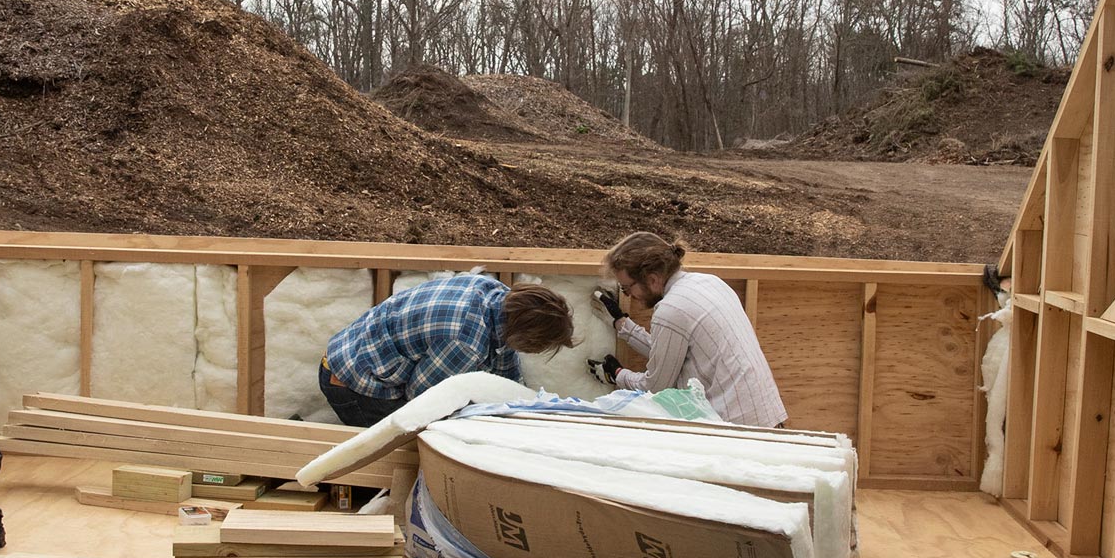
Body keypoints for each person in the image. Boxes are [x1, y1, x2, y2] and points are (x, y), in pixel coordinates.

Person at [319, 274, 576, 427]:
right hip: (353, 384)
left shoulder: (495, 296)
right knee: (409, 448)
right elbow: (421, 401)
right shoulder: (465, 343)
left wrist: (522, 407)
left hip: (355, 353)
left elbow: (504, 369)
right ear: (526, 336)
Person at [591, 231, 789, 428]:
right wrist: (622, 325)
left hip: (737, 431)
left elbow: (655, 387)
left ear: (652, 279)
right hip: (767, 419)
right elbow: (672, 352)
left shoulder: (671, 309)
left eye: (626, 288)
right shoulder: (710, 283)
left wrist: (617, 374)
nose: (629, 295)